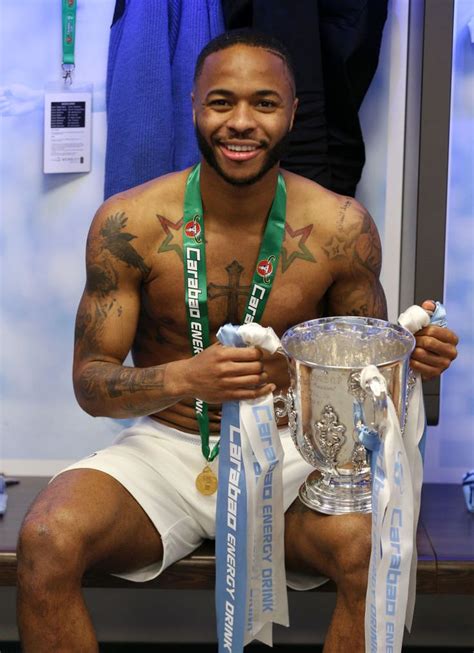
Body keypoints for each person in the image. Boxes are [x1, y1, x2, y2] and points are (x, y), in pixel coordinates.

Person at [17, 31, 458, 653]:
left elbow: (365, 387)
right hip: (169, 447)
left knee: (368, 546)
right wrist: (185, 378)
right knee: (47, 538)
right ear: (193, 105)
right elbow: (91, 383)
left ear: (293, 111)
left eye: (265, 103)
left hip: (293, 455)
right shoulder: (130, 222)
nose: (241, 122)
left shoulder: (340, 227)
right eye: (221, 102)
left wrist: (414, 365)